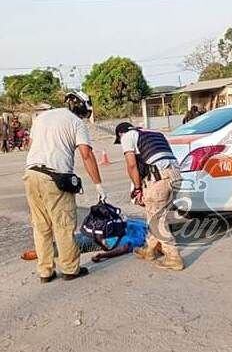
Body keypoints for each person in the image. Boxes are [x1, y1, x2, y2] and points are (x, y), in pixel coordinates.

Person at [24, 91, 107, 283]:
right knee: (63, 224)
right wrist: (98, 185)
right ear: (82, 108)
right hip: (56, 178)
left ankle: (45, 272)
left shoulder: (42, 117)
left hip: (31, 174)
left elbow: (31, 145)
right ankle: (70, 269)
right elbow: (86, 154)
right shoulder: (76, 122)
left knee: (41, 226)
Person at [114, 122, 184, 271]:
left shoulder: (127, 136)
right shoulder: (155, 133)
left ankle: (173, 257)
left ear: (121, 134)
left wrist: (138, 188)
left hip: (160, 178)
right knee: (156, 216)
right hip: (176, 176)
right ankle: (150, 250)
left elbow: (132, 165)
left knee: (157, 220)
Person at [21, 219, 150, 263]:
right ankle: (40, 252)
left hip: (100, 229)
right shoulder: (142, 238)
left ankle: (41, 250)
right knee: (76, 244)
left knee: (73, 239)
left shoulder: (143, 224)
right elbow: (125, 247)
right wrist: (103, 255)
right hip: (103, 239)